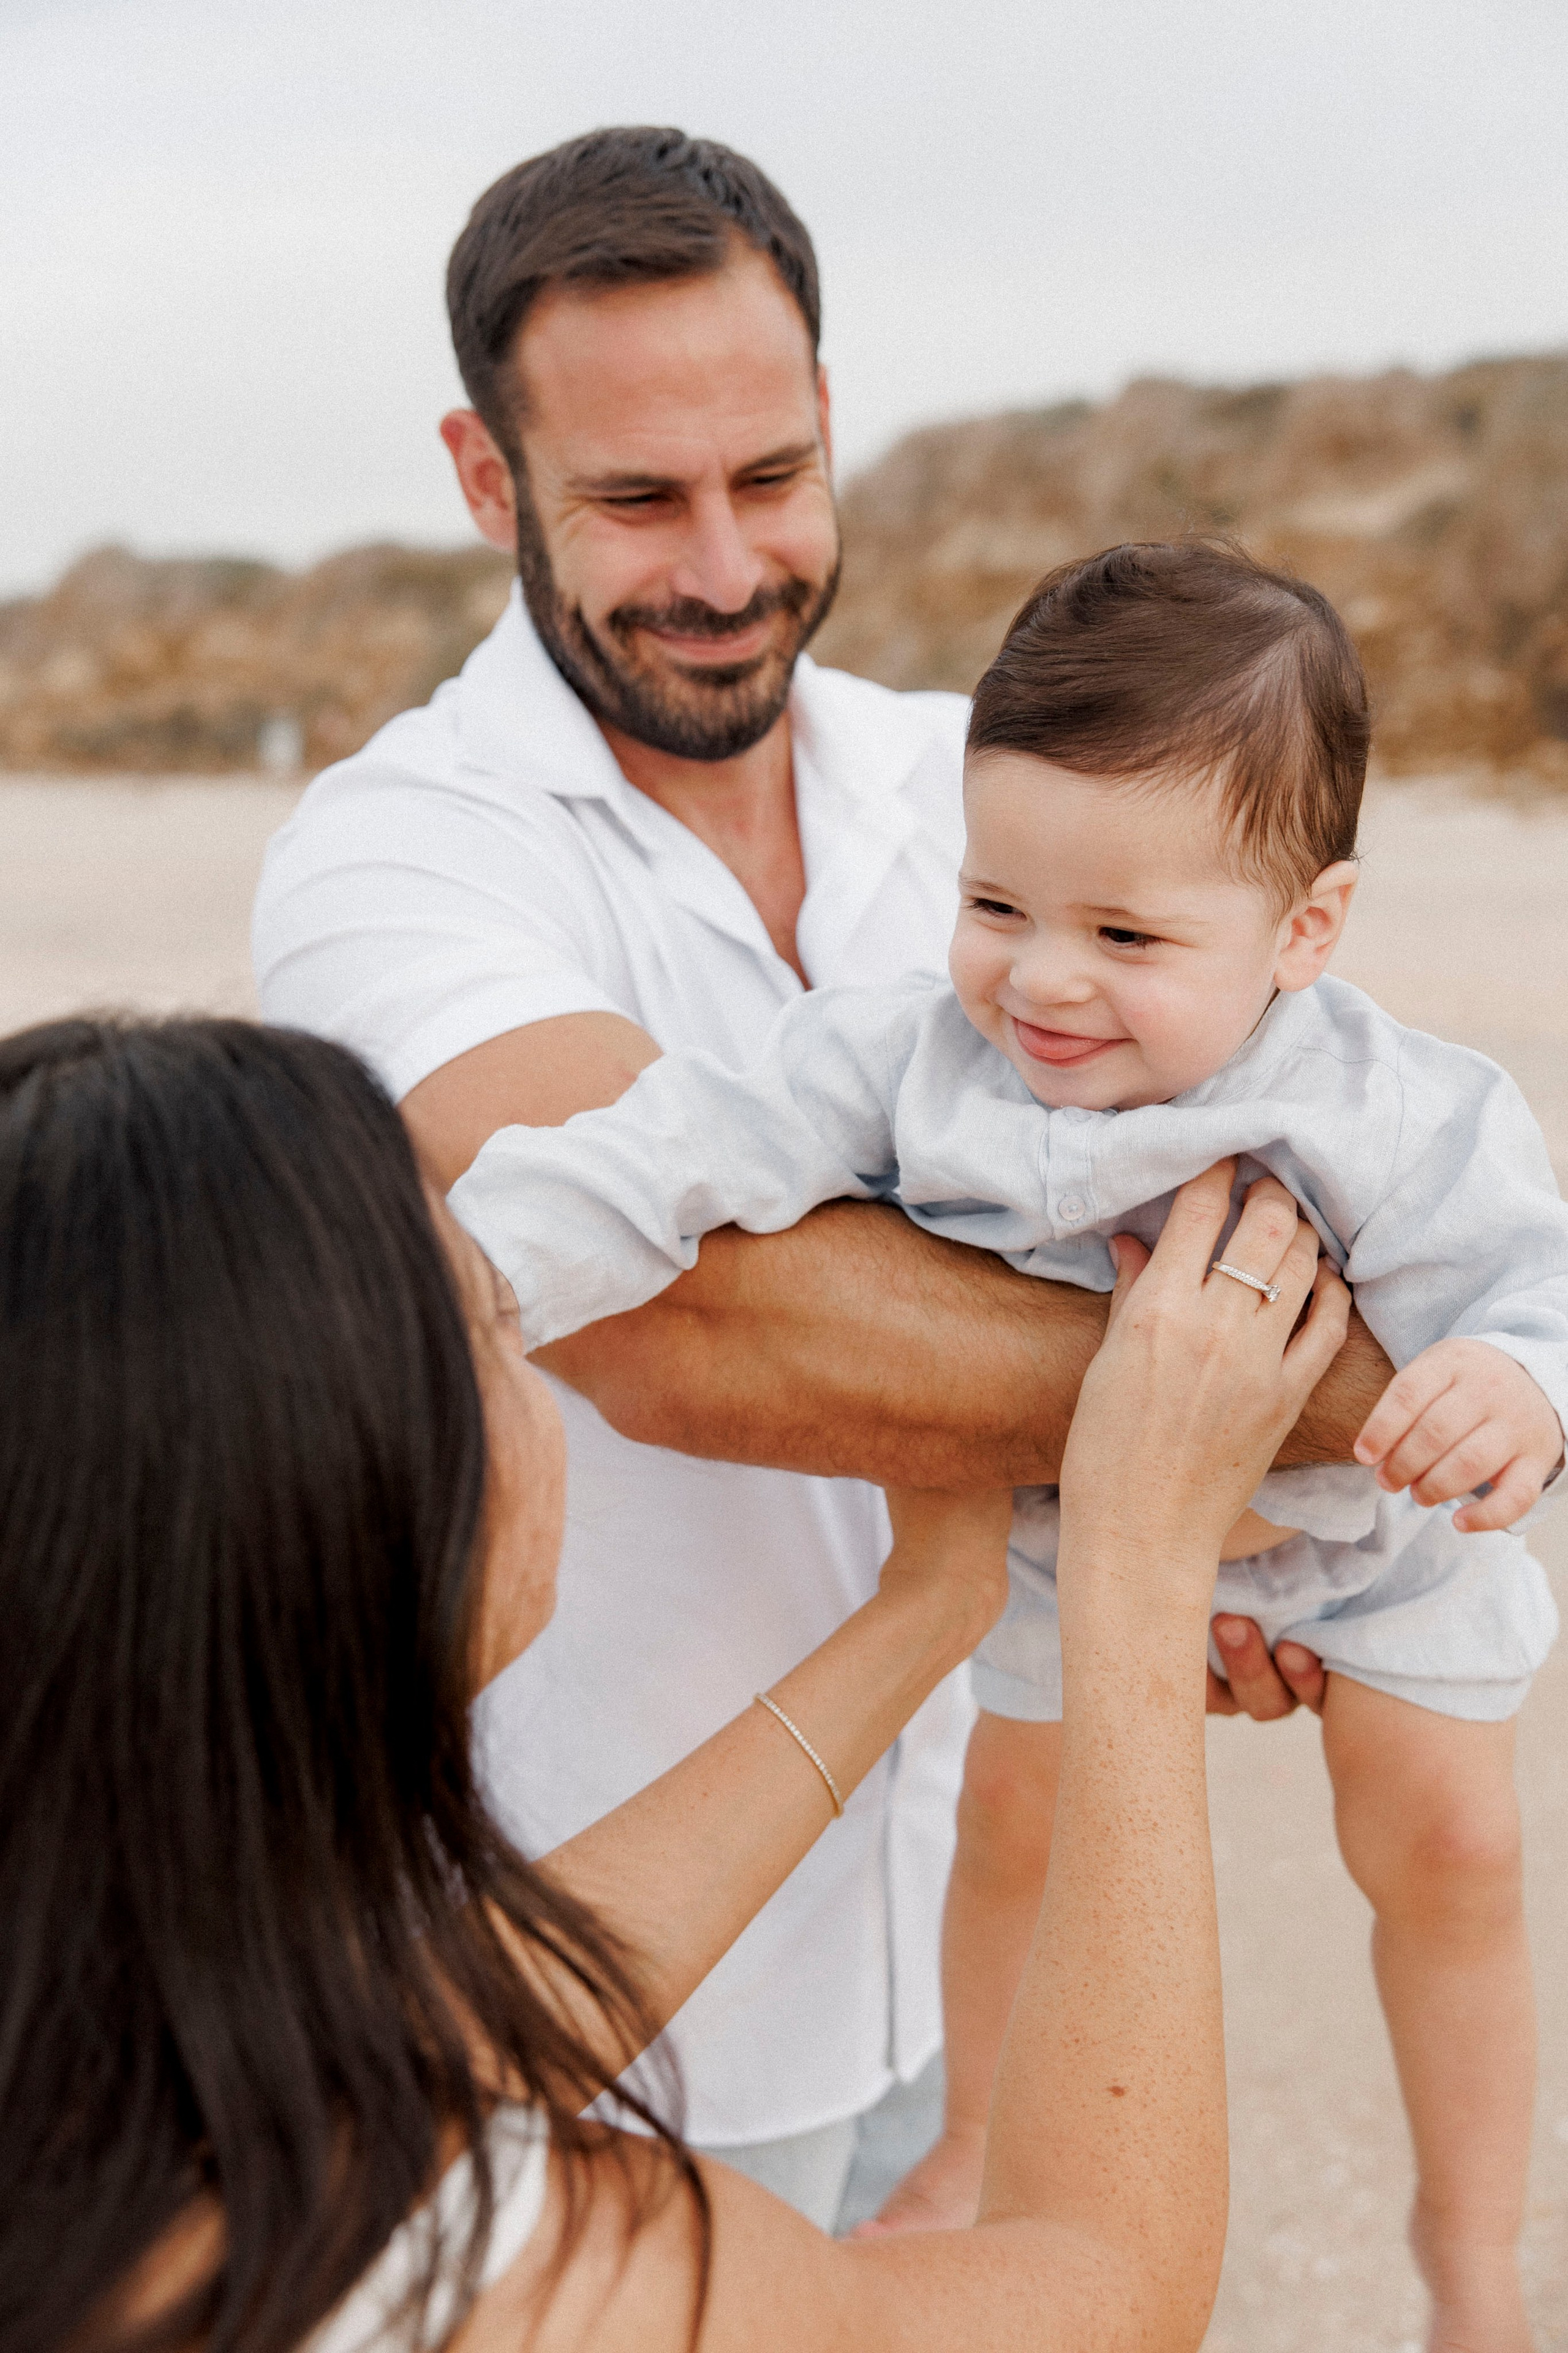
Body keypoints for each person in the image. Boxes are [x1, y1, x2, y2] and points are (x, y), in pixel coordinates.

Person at [252, 125, 1390, 2227]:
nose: (721, 563)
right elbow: (695, 1317)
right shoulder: (392, 861)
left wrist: (1221, 1518)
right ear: (490, 481)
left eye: (769, 477)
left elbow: (1255, 1186)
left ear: (832, 423)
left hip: (978, 1938)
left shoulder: (979, 793)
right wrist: (1308, 1409)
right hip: (606, 1984)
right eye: (635, 498)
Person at [446, 540, 1565, 2349]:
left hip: (1375, 1539)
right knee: (1019, 1817)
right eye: (996, 904)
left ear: (1306, 932)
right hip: (1059, 1526)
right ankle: (976, 2138)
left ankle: (1472, 2252)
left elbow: (1531, 1283)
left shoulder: (1393, 1100)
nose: (1042, 984)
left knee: (1455, 1842)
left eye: (1126, 936)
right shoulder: (906, 1063)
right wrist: (476, 1267)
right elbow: (679, 1147)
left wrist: (1513, 1386)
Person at [0, 1011, 1350, 2353]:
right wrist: (1137, 1565)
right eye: (494, 1315)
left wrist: (930, 1609)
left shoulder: (90, 2073)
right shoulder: (498, 2273)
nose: (532, 1357)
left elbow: (436, 2024)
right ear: (369, 1505)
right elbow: (1101, 2288)